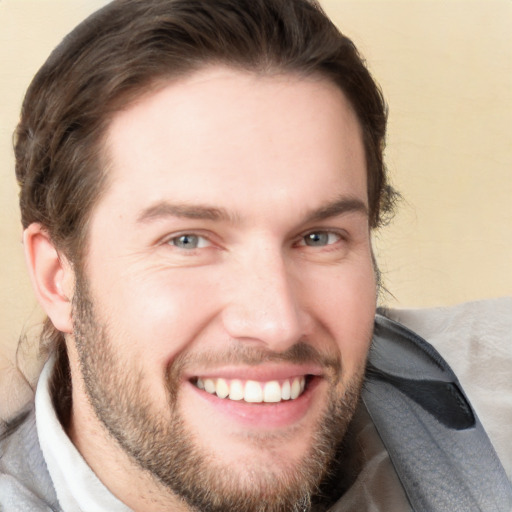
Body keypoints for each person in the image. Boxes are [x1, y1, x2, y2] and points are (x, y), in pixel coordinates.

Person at [1, 0, 510, 511]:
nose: (277, 323)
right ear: (57, 277)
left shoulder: (496, 406)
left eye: (319, 238)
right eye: (188, 240)